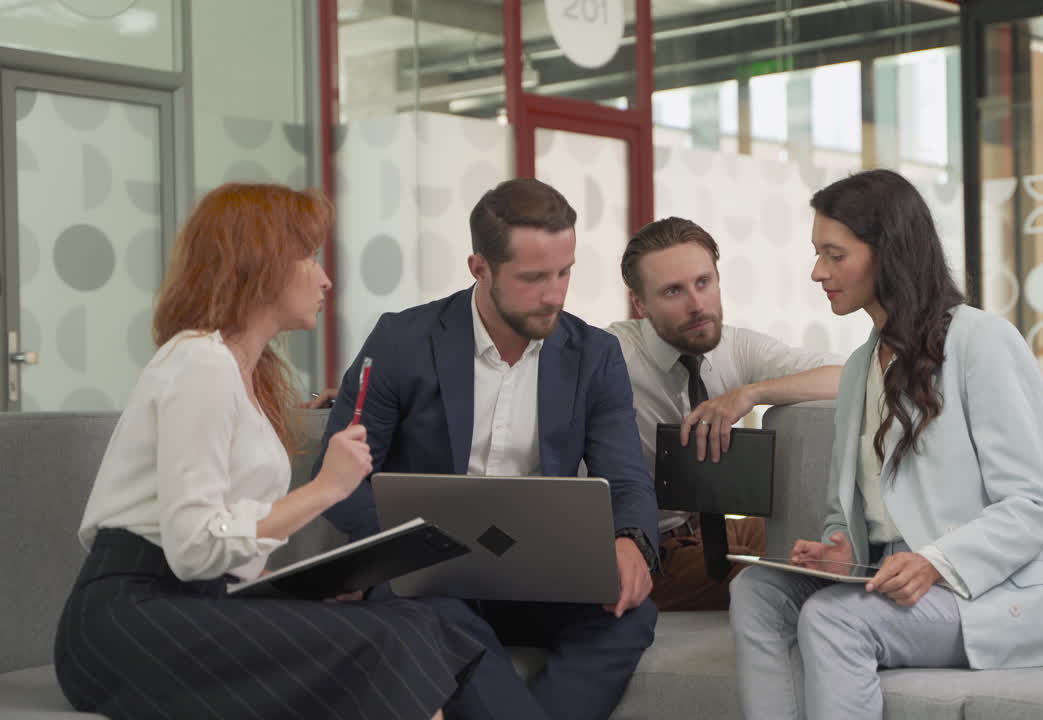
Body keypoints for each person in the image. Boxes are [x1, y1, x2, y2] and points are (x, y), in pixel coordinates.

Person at [54, 183, 483, 720]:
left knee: (416, 623)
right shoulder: (199, 365)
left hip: (194, 603)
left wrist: (300, 590)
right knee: (386, 644)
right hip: (128, 622)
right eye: (307, 256)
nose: (325, 278)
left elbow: (221, 549)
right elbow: (192, 547)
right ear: (258, 263)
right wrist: (327, 489)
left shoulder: (244, 377)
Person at [729, 169, 1043, 720]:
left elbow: (1033, 507)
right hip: (888, 577)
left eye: (834, 254)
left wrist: (935, 563)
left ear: (887, 253)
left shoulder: (981, 341)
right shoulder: (857, 370)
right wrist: (839, 546)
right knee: (757, 592)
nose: (817, 271)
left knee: (832, 618)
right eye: (817, 254)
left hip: (990, 594)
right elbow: (849, 512)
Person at [319, 178, 659, 720]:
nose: (555, 294)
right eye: (533, 278)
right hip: (428, 581)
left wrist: (631, 543)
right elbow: (337, 484)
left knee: (630, 614)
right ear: (480, 268)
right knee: (431, 616)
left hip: (542, 579)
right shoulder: (402, 341)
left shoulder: (595, 355)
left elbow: (626, 479)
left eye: (564, 272)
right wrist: (410, 550)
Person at [608, 217, 842, 611]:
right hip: (650, 548)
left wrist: (751, 394)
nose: (697, 305)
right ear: (640, 304)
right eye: (672, 291)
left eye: (704, 282)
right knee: (792, 578)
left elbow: (855, 374)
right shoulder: (611, 355)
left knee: (828, 536)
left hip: (709, 530)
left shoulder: (735, 347)